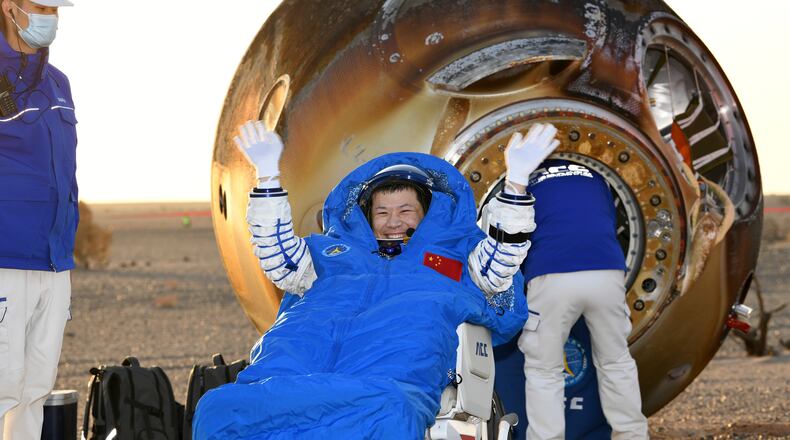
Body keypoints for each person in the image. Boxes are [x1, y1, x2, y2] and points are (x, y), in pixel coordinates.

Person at [192, 121, 560, 439]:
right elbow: (277, 255)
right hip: (285, 375)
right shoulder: (329, 254)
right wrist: (268, 176)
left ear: (428, 215)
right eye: (382, 211)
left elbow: (501, 260)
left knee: (390, 410)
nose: (393, 220)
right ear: (366, 216)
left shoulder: (455, 259)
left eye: (405, 210)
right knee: (219, 408)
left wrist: (515, 185)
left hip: (385, 385)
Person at [517, 157, 649, 439]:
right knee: (616, 361)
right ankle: (632, 435)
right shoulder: (595, 176)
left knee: (544, 369)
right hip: (607, 270)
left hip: (552, 272)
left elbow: (513, 231)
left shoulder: (524, 178)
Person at [0, 0, 77, 438]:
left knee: (33, 392)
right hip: (6, 260)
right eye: (39, 5)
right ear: (10, 7)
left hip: (54, 263)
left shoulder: (58, 83)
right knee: (2, 389)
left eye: (54, 7)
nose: (50, 15)